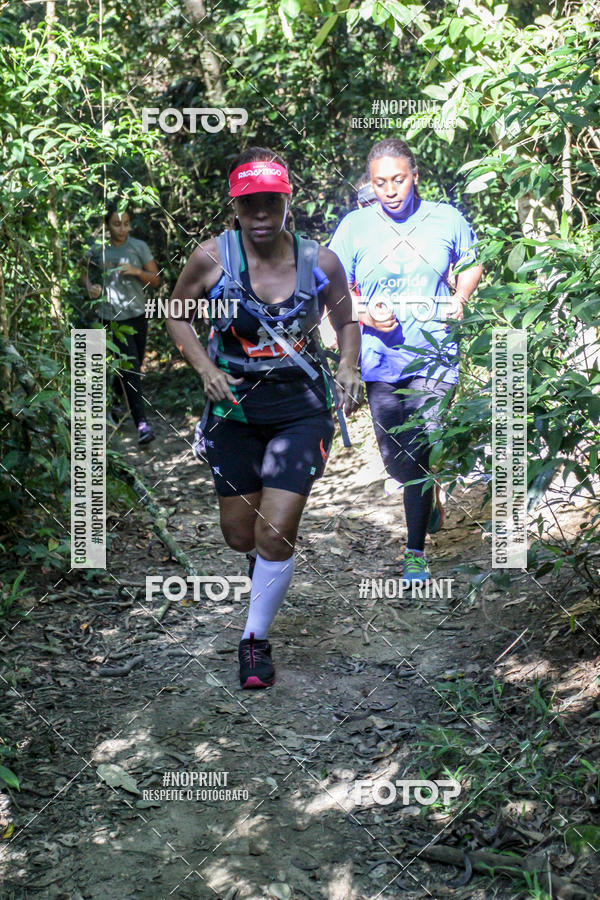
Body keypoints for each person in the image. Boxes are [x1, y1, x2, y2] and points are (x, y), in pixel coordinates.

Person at [166, 148, 361, 689]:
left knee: (275, 534)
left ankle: (254, 640)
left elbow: (347, 319)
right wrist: (204, 367)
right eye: (249, 202)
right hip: (232, 411)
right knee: (238, 534)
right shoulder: (212, 257)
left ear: (285, 202)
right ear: (236, 206)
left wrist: (348, 364)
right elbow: (177, 314)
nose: (259, 212)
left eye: (269, 200)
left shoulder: (318, 262)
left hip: (300, 411)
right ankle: (263, 578)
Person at [329, 138, 483, 582]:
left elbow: (471, 263)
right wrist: (363, 315)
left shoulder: (445, 219)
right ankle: (427, 497)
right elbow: (332, 291)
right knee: (397, 460)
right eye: (381, 183)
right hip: (379, 361)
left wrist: (460, 296)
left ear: (415, 175)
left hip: (434, 355)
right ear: (370, 185)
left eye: (399, 179)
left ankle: (414, 552)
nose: (391, 190)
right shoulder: (355, 227)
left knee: (419, 449)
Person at [82, 201, 161, 445]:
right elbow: (82, 269)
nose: (122, 229)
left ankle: (116, 404)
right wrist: (90, 288)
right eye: (117, 224)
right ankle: (142, 423)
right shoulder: (99, 250)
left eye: (126, 224)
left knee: (131, 365)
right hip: (111, 318)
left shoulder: (139, 247)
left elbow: (155, 279)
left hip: (138, 315)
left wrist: (136, 271)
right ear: (107, 225)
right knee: (130, 366)